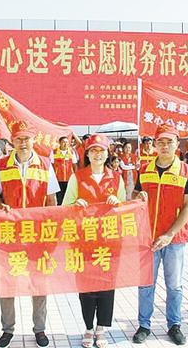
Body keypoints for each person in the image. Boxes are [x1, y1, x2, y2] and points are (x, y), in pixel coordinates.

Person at [0, 120, 59, 348]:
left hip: (37, 235)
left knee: (38, 283)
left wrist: (50, 234)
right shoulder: (1, 165)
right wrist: (1, 205)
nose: (22, 143)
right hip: (10, 234)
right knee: (7, 282)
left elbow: (51, 200)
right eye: (18, 139)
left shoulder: (45, 165)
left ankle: (39, 329)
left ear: (33, 140)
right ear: (12, 141)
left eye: (26, 139)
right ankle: (7, 329)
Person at [132, 124, 188, 346]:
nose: (165, 146)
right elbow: (135, 196)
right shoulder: (145, 169)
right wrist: (138, 197)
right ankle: (144, 325)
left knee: (174, 285)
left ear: (177, 144)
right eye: (161, 142)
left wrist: (170, 234)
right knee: (145, 284)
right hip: (148, 238)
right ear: (155, 145)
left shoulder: (186, 171)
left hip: (174, 240)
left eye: (169, 142)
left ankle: (174, 325)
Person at [62, 134, 126, 348]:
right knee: (86, 287)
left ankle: (101, 329)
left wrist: (118, 203)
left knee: (107, 287)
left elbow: (125, 209)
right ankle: (88, 328)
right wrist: (75, 204)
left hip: (109, 241)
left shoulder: (116, 178)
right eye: (93, 150)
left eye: (101, 150)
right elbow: (64, 207)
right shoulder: (77, 178)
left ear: (108, 154)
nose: (98, 154)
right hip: (83, 241)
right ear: (87, 154)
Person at [52, 136, 78, 205]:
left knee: (68, 197)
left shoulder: (72, 152)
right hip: (58, 179)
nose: (65, 144)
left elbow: (75, 165)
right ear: (59, 143)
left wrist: (76, 176)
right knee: (59, 198)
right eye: (63, 142)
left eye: (66, 142)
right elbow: (51, 165)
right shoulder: (54, 152)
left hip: (69, 179)